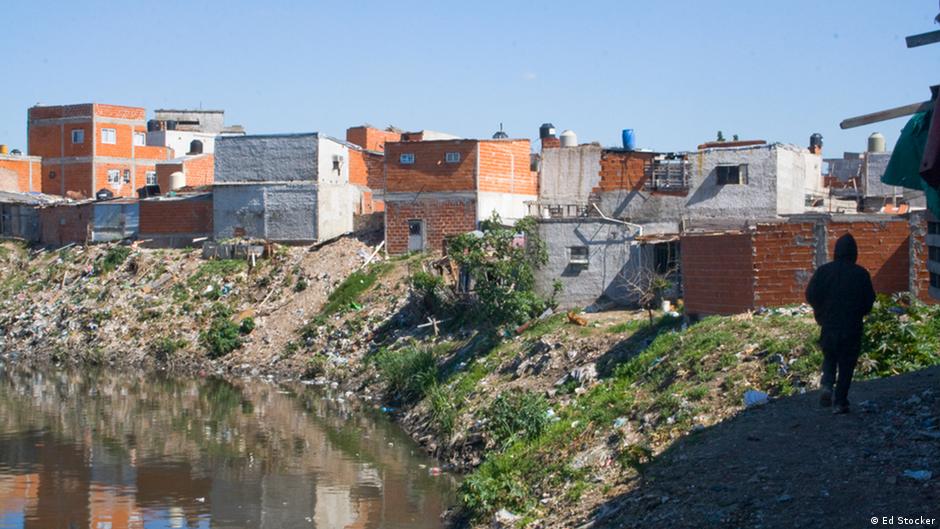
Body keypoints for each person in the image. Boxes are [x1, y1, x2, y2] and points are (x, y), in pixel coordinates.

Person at [805, 234, 876, 414]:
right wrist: (858, 312)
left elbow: (811, 295)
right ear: (854, 253)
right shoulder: (861, 274)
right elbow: (869, 301)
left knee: (830, 357)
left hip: (829, 325)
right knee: (846, 365)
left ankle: (827, 385)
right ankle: (840, 402)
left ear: (836, 251)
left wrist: (821, 311)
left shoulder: (823, 272)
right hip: (852, 327)